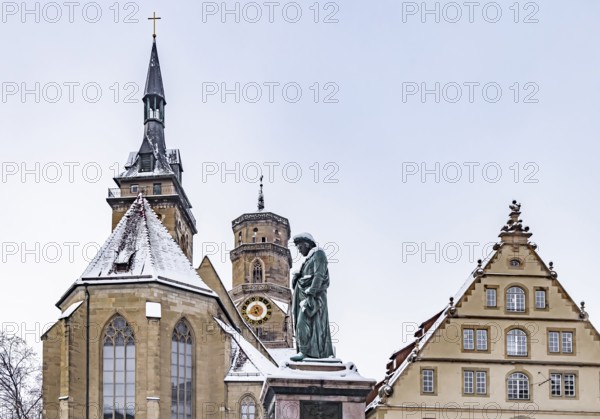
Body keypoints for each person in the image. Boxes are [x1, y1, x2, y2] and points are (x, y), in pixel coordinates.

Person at [290, 233, 334, 361]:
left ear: (307, 244)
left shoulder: (319, 254)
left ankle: (306, 352)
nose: (299, 250)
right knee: (301, 324)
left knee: (304, 324)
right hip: (305, 296)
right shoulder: (307, 261)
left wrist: (311, 293)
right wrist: (297, 277)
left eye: (300, 247)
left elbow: (319, 275)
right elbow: (304, 279)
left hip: (314, 298)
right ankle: (305, 351)